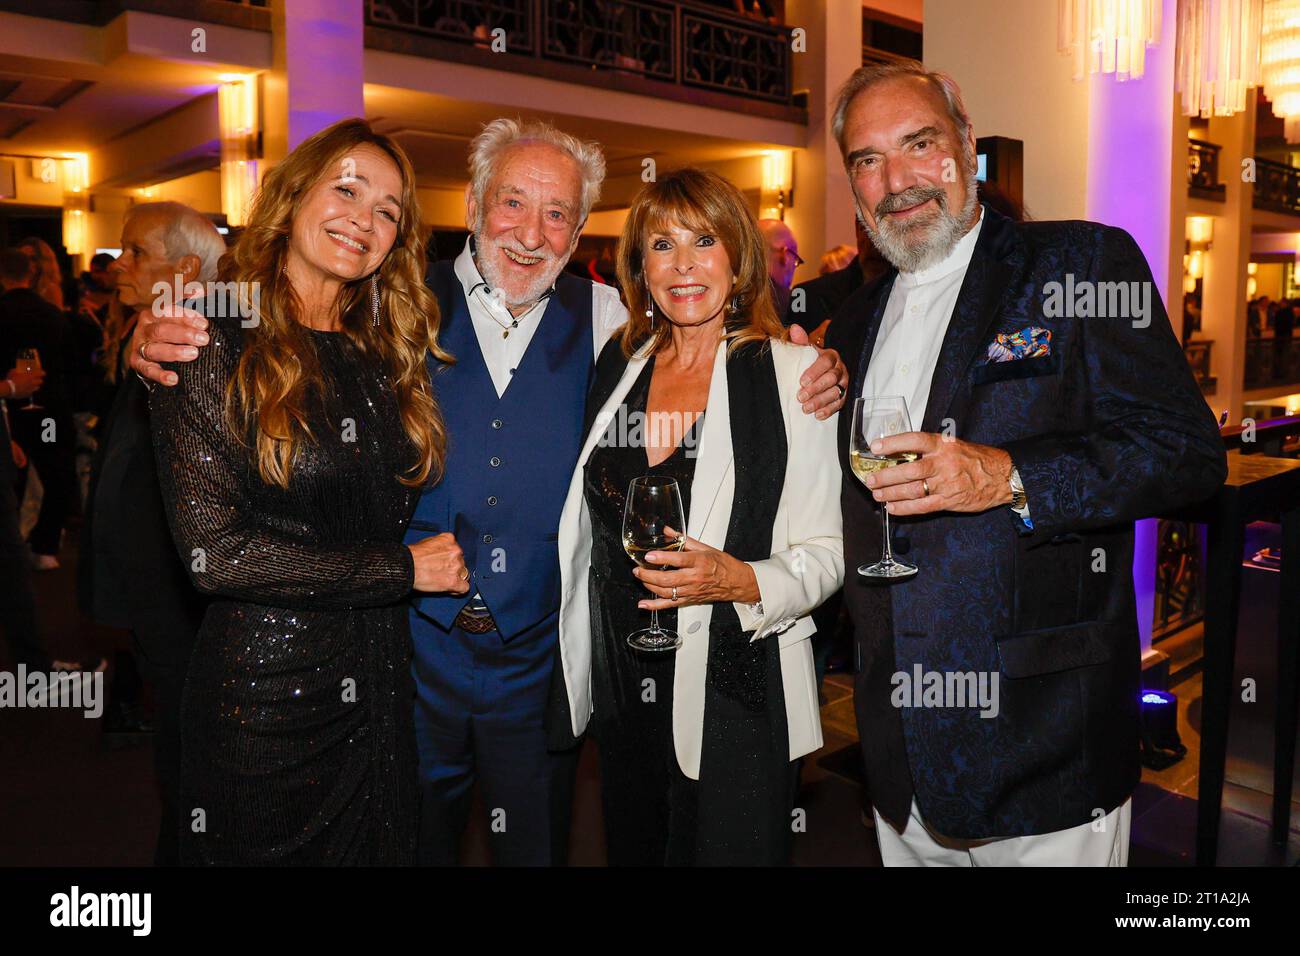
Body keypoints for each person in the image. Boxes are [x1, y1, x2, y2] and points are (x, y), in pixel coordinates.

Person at [128, 118, 849, 867]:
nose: (532, 234)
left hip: (539, 662)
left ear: (578, 233)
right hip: (403, 651)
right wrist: (153, 336)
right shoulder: (391, 305)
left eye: (558, 214)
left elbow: (710, 350)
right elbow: (279, 333)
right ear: (472, 204)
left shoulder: (612, 323)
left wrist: (809, 360)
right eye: (512, 203)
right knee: (401, 843)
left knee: (535, 846)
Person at [823, 58, 1227, 866]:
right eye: (868, 160)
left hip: (1046, 742)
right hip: (897, 751)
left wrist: (1009, 475)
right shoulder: (853, 312)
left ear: (966, 145)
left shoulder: (1079, 265)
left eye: (920, 144)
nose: (897, 180)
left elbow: (1186, 455)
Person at [142, 118, 468, 864]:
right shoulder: (207, 338)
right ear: (291, 201)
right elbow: (212, 557)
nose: (365, 218)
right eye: (347, 189)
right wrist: (403, 571)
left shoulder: (383, 349)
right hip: (264, 700)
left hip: (380, 681)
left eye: (388, 210)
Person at [553, 168, 844, 865]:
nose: (682, 265)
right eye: (661, 244)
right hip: (623, 690)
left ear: (738, 259)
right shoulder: (618, 364)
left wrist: (741, 580)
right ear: (640, 267)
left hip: (734, 691)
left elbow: (830, 550)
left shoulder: (789, 374)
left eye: (703, 240)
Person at [77, 201, 226, 865]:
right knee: (180, 755)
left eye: (136, 251)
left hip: (185, 598)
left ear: (186, 267)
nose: (119, 265)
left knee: (196, 762)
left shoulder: (204, 341)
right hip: (156, 595)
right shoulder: (152, 330)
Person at [0, 247, 76, 570]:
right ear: (31, 275)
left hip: (10, 412)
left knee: (11, 478)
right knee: (56, 473)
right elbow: (68, 363)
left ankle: (13, 545)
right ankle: (44, 546)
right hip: (48, 411)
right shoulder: (51, 314)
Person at [759, 218, 801, 320]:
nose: (794, 267)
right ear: (785, 255)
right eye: (796, 260)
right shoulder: (795, 300)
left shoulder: (728, 292)